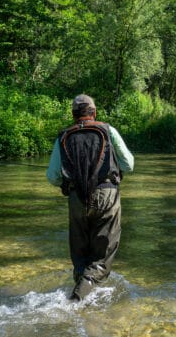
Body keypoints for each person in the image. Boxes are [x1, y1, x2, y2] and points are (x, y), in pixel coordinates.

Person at [46, 94, 134, 301]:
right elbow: (129, 165)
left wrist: (67, 184)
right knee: (101, 259)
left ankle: (82, 294)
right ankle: (77, 300)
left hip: (76, 198)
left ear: (73, 115)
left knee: (80, 258)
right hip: (107, 196)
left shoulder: (63, 136)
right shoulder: (108, 131)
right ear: (94, 113)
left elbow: (52, 177)